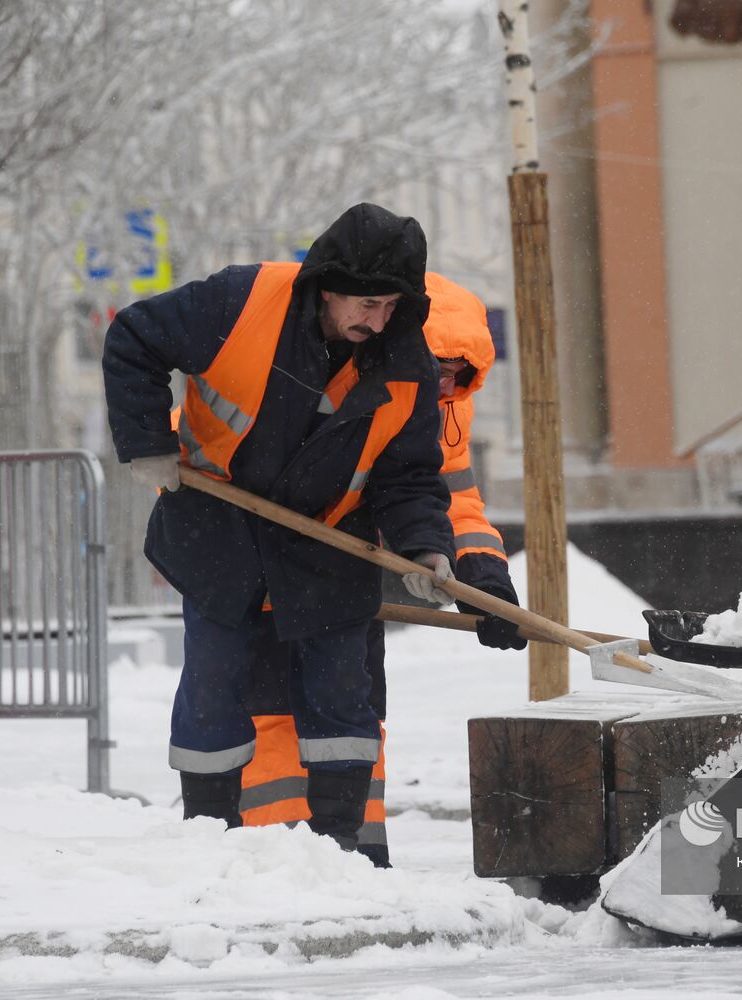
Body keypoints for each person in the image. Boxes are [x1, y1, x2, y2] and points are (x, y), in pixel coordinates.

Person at [103, 203, 458, 854]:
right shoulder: (243, 302)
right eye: (367, 303)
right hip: (220, 522)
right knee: (214, 683)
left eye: (391, 307)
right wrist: (147, 441)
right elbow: (134, 337)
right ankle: (208, 838)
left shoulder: (408, 368)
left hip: (331, 539)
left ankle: (339, 848)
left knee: (340, 690)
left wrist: (426, 549)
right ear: (327, 284)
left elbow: (409, 477)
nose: (377, 322)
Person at [237, 270, 526, 867]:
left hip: (344, 576)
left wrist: (482, 577)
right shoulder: (331, 373)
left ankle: (358, 858)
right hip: (261, 565)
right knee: (272, 714)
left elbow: (456, 501)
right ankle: (268, 858)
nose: (444, 385)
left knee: (357, 716)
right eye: (435, 368)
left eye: (457, 375)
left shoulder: (443, 409)